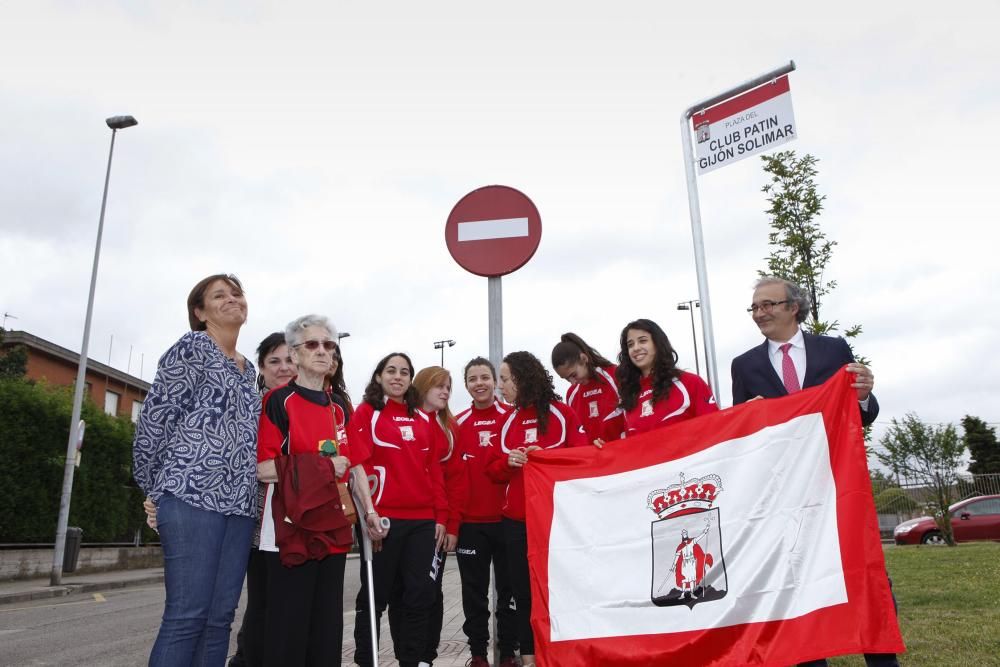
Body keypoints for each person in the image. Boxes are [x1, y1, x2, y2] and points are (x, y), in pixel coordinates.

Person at [731, 277, 895, 667]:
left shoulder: (834, 349)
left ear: (793, 307)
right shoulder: (744, 365)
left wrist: (865, 394)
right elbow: (741, 435)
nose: (759, 313)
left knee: (865, 579)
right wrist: (750, 417)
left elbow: (860, 413)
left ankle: (883, 660)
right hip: (785, 496)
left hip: (839, 485)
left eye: (767, 305)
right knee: (799, 586)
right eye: (754, 308)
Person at [133, 273, 260, 667]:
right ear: (200, 313)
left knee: (220, 618)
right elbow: (154, 422)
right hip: (190, 498)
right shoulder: (192, 348)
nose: (231, 299)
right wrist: (157, 490)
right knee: (186, 617)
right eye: (219, 296)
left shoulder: (248, 370)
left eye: (236, 293)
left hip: (239, 507)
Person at [255, 315, 381, 666]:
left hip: (334, 527)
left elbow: (354, 465)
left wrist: (369, 512)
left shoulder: (340, 405)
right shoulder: (278, 402)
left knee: (327, 628)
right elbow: (263, 470)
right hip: (289, 530)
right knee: (287, 628)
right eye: (312, 344)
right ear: (294, 355)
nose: (323, 351)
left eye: (329, 345)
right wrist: (322, 467)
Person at [486, 351, 589, 667]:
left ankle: (563, 654)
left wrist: (547, 458)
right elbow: (491, 468)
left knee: (559, 590)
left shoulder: (561, 414)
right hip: (515, 522)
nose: (499, 386)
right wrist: (508, 462)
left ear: (522, 377)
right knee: (522, 594)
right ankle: (529, 658)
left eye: (504, 379)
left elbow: (583, 459)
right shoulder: (507, 421)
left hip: (555, 522)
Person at [352, 353, 448, 667]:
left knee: (419, 596)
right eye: (391, 371)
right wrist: (370, 514)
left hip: (422, 522)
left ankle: (412, 660)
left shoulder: (423, 420)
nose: (398, 377)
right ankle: (367, 660)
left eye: (404, 372)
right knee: (374, 598)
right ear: (379, 376)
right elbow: (358, 466)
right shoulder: (367, 413)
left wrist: (441, 517)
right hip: (384, 522)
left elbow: (433, 470)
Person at [229, 332, 297, 667]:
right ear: (262, 367)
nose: (284, 368)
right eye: (274, 361)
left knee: (286, 606)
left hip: (297, 523)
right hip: (254, 521)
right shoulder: (251, 407)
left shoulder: (306, 407)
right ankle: (245, 659)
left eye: (289, 360)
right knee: (261, 601)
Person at [392, 366, 467, 667]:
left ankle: (425, 655)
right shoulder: (405, 421)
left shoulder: (449, 427)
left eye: (448, 387)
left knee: (428, 592)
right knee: (402, 592)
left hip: (434, 525)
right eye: (439, 386)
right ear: (422, 387)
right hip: (402, 523)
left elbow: (457, 482)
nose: (446, 391)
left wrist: (451, 524)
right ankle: (405, 655)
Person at [454, 358, 518, 667]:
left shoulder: (512, 417)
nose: (479, 383)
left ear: (495, 381)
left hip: (508, 521)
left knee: (510, 592)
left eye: (485, 377)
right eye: (472, 379)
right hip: (471, 525)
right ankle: (478, 655)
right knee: (474, 595)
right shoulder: (457, 422)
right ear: (465, 384)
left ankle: (508, 654)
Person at [616, 318, 719, 437]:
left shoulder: (690, 382)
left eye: (643, 341)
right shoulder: (629, 397)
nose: (636, 348)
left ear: (657, 343)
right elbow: (628, 446)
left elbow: (714, 427)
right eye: (630, 345)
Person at [551, 332, 625, 445]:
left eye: (573, 375)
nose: (572, 382)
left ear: (583, 358)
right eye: (566, 379)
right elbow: (575, 435)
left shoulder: (616, 375)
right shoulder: (571, 394)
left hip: (622, 455)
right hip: (592, 460)